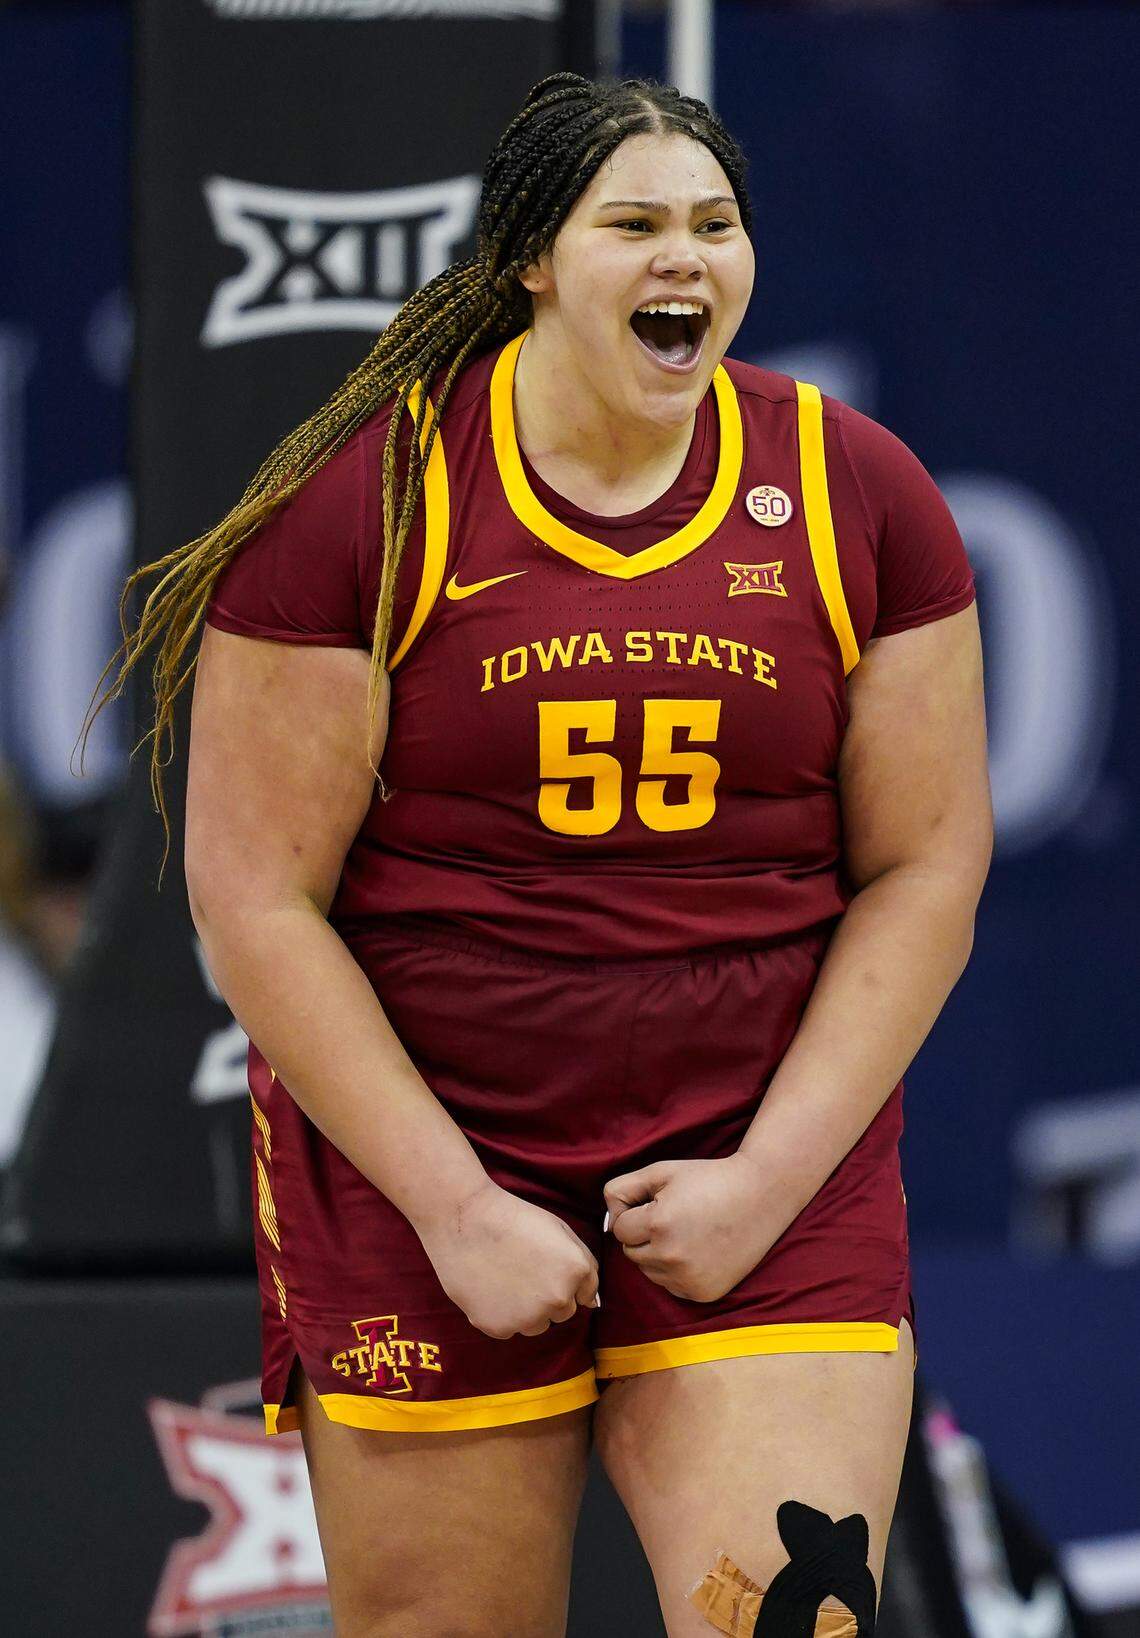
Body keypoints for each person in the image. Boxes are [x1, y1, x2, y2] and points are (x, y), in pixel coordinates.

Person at [87, 72, 992, 1638]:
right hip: (436, 1153)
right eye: (632, 223)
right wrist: (454, 1206)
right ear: (529, 259)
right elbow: (256, 899)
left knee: (795, 1618)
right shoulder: (361, 504)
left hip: (755, 1140)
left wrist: (765, 1180)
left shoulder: (858, 491)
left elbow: (926, 866)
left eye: (716, 225)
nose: (684, 259)